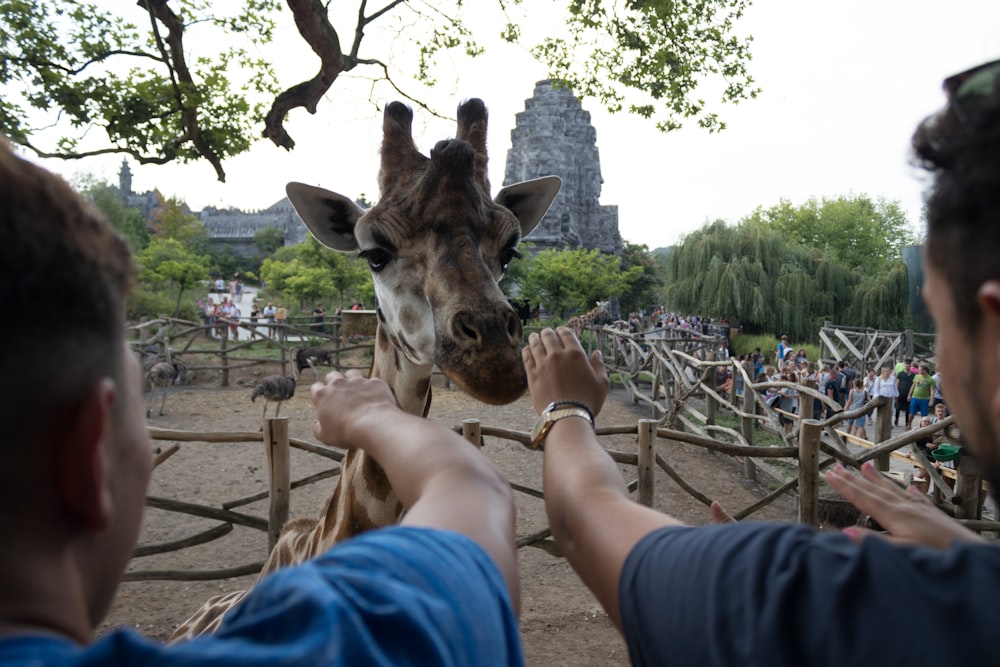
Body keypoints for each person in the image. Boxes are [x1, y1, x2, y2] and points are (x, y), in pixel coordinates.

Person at [522, 58, 1000, 665]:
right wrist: (966, 548)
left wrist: (565, 410)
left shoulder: (845, 601)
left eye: (938, 316)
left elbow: (587, 523)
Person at [0, 139, 524, 665]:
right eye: (135, 410)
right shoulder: (327, 645)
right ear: (86, 455)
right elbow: (473, 498)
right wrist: (375, 417)